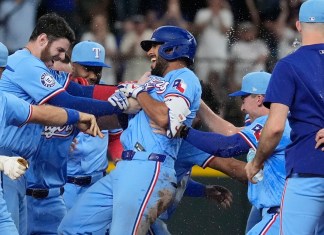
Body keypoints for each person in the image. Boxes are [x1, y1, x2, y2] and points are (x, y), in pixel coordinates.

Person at [58, 25, 202, 235]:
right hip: (125, 168)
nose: (149, 52)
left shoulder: (185, 78)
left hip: (150, 165)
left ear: (172, 50)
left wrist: (139, 91)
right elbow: (117, 118)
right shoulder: (152, 81)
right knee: (71, 228)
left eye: (155, 46)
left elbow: (164, 118)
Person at [0, 13, 129, 234]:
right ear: (42, 40)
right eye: (59, 50)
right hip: (7, 167)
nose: (61, 57)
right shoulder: (26, 64)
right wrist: (122, 102)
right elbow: (66, 101)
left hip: (23, 176)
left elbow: (74, 94)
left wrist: (126, 95)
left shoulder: (37, 67)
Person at [0, 41, 102, 235]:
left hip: (47, 195)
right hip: (16, 187)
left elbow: (37, 113)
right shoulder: (19, 92)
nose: (55, 65)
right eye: (54, 59)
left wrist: (76, 117)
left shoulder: (9, 100)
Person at [176, 72, 291, 234]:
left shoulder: (275, 124)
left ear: (259, 99)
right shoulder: (274, 122)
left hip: (282, 211)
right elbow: (230, 132)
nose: (242, 107)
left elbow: (227, 146)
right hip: (274, 209)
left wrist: (183, 131)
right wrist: (199, 102)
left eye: (244, 99)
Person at [245, 1, 324, 234]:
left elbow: (275, 128)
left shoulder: (289, 65)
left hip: (308, 169)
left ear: (298, 25)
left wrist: (256, 162)